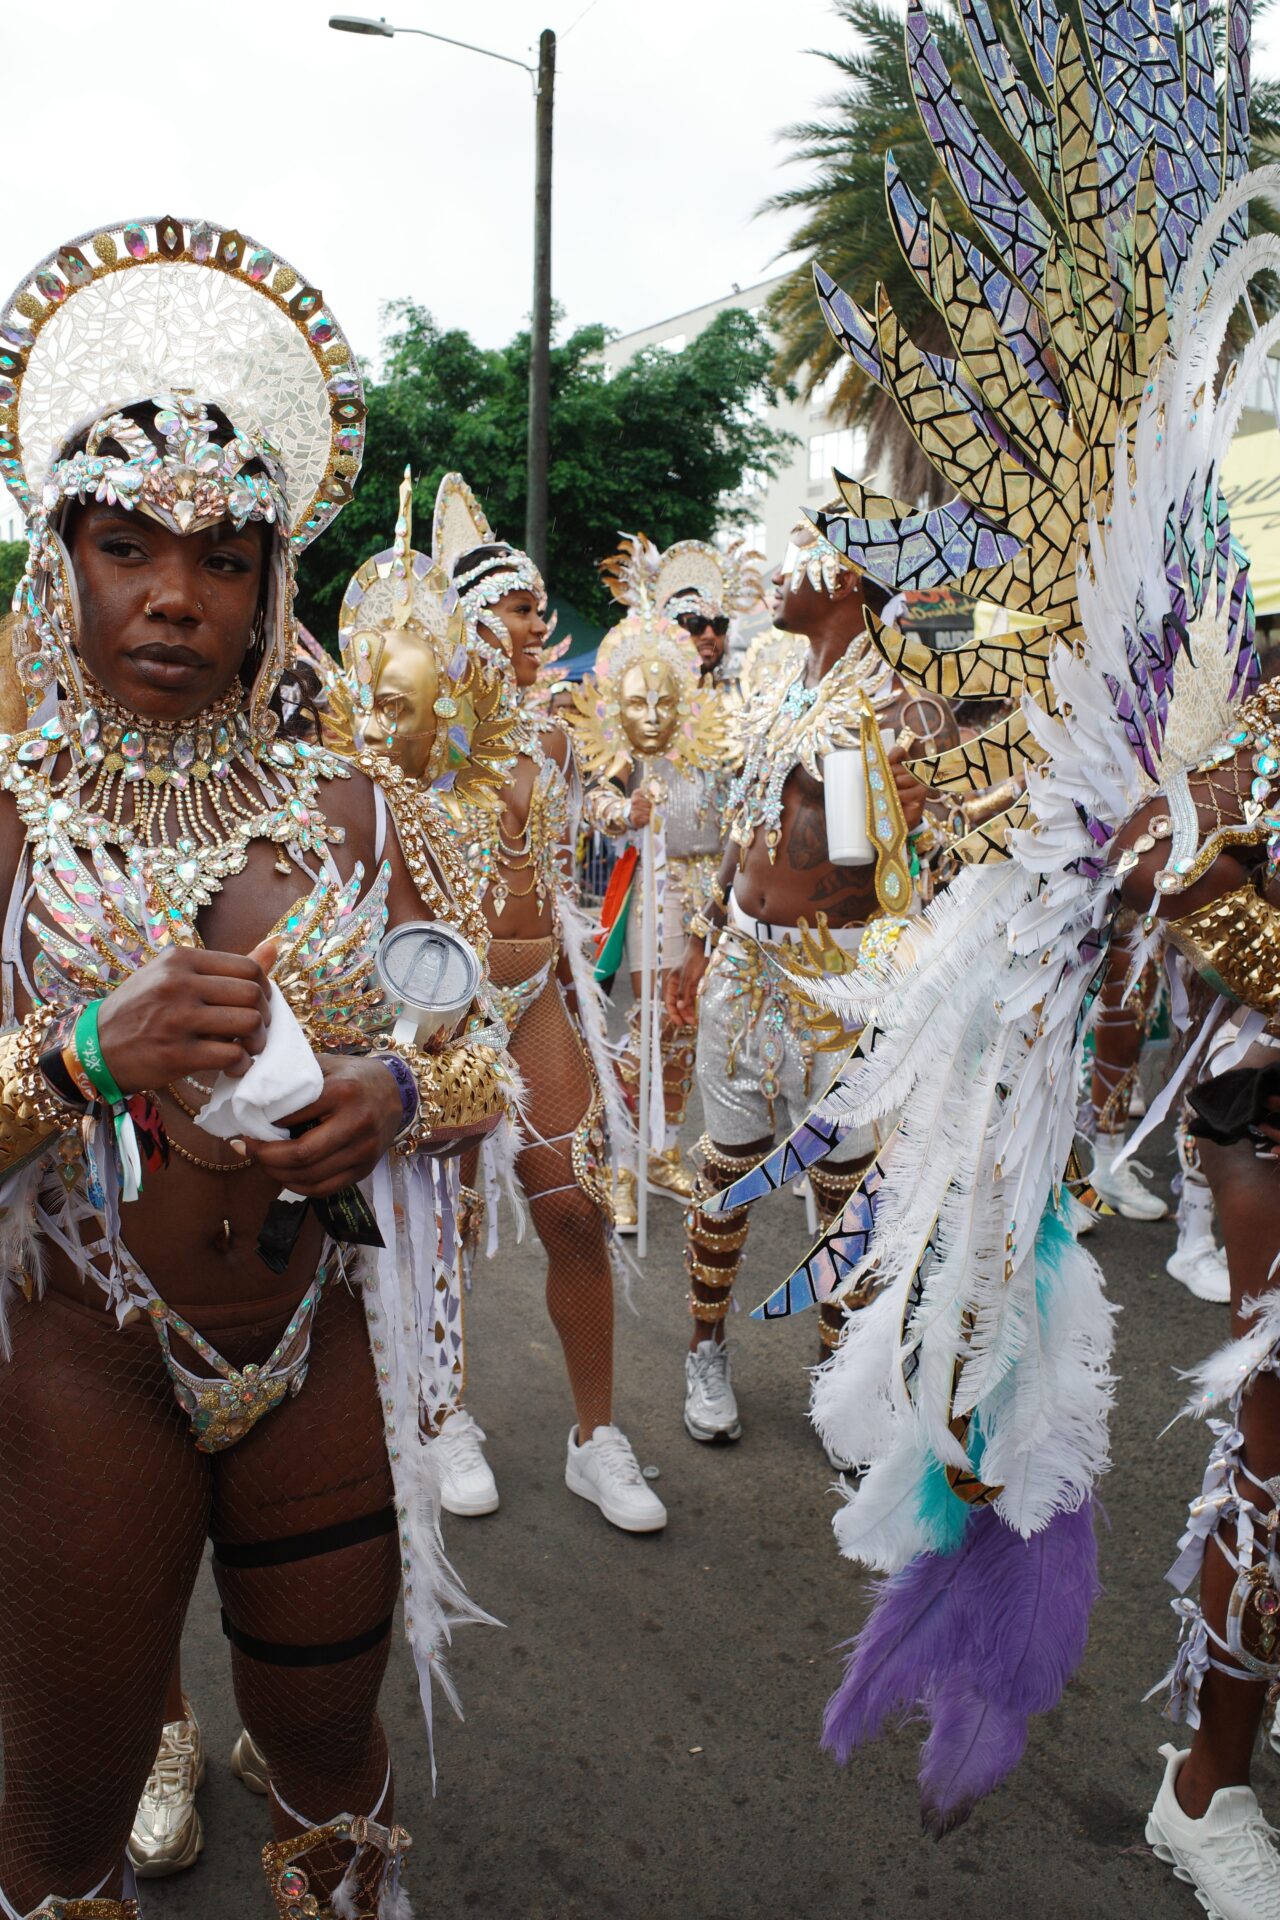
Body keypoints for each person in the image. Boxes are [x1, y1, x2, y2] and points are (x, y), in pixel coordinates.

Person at [741, 3, 1280, 1910]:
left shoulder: (1194, 569)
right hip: (935, 988)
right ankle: (1200, 1763)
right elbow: (869, 869)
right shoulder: (845, 694)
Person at [0, 217, 513, 1920]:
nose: (173, 593)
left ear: (271, 580)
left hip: (315, 1346)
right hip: (89, 1364)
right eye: (128, 545)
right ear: (57, 557)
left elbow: (490, 1065)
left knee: (327, 1746)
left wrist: (398, 1101)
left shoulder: (363, 814)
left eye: (222, 559)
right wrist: (83, 1050)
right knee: (63, 1811)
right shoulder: (7, 822)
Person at [666, 521, 954, 1447]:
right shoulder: (768, 681)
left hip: (838, 982)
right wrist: (704, 935)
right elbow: (742, 827)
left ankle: (837, 1381)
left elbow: (935, 848)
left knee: (841, 1183)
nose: (774, 574)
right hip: (743, 965)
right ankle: (705, 1351)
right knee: (727, 1167)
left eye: (795, 558)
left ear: (844, 580)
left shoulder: (904, 705)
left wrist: (916, 823)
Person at [432, 474, 667, 1534]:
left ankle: (595, 1438)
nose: (539, 623)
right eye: (521, 606)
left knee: (573, 1209)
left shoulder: (557, 740)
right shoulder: (414, 746)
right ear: (471, 617)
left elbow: (583, 841)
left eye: (537, 608)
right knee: (439, 1230)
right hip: (443, 1012)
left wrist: (634, 807)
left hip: (536, 997)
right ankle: (443, 1418)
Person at [588, 535, 763, 1218]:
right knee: (650, 1025)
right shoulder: (640, 708)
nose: (711, 635)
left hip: (716, 890)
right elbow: (596, 794)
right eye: (695, 623)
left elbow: (750, 805)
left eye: (720, 624)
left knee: (689, 1028)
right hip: (655, 884)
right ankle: (622, 1163)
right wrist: (623, 809)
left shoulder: (738, 712)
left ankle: (662, 1152)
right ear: (667, 630)